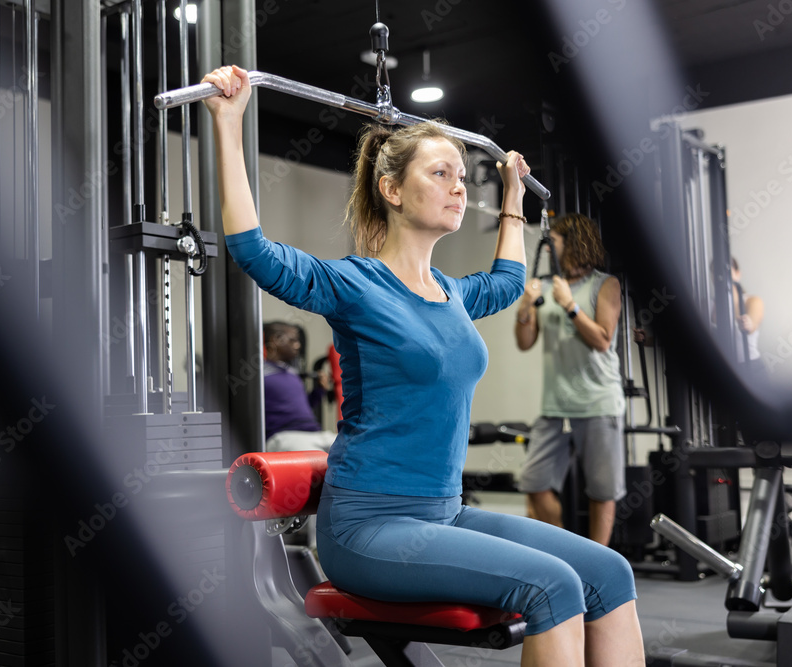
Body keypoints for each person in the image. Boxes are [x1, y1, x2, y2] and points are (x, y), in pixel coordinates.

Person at [202, 65, 644, 666]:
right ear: (392, 189)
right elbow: (253, 250)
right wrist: (229, 123)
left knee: (610, 573)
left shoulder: (453, 293)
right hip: (368, 529)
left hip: (445, 513)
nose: (459, 187)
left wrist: (512, 195)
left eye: (463, 176)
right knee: (554, 586)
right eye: (441, 174)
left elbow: (509, 281)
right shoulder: (354, 284)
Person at [514, 213, 625, 547]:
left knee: (602, 491)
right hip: (556, 406)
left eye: (555, 243)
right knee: (534, 481)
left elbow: (603, 340)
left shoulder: (605, 284)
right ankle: (565, 553)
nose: (549, 250)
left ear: (574, 244)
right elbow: (524, 342)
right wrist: (525, 307)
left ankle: (597, 565)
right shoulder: (546, 286)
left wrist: (571, 306)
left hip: (597, 403)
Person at [262, 321, 337, 452]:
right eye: (292, 340)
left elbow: (305, 406)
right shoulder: (260, 374)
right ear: (276, 340)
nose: (298, 345)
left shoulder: (291, 373)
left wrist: (319, 390)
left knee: (358, 451)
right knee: (321, 463)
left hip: (315, 433)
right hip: (285, 435)